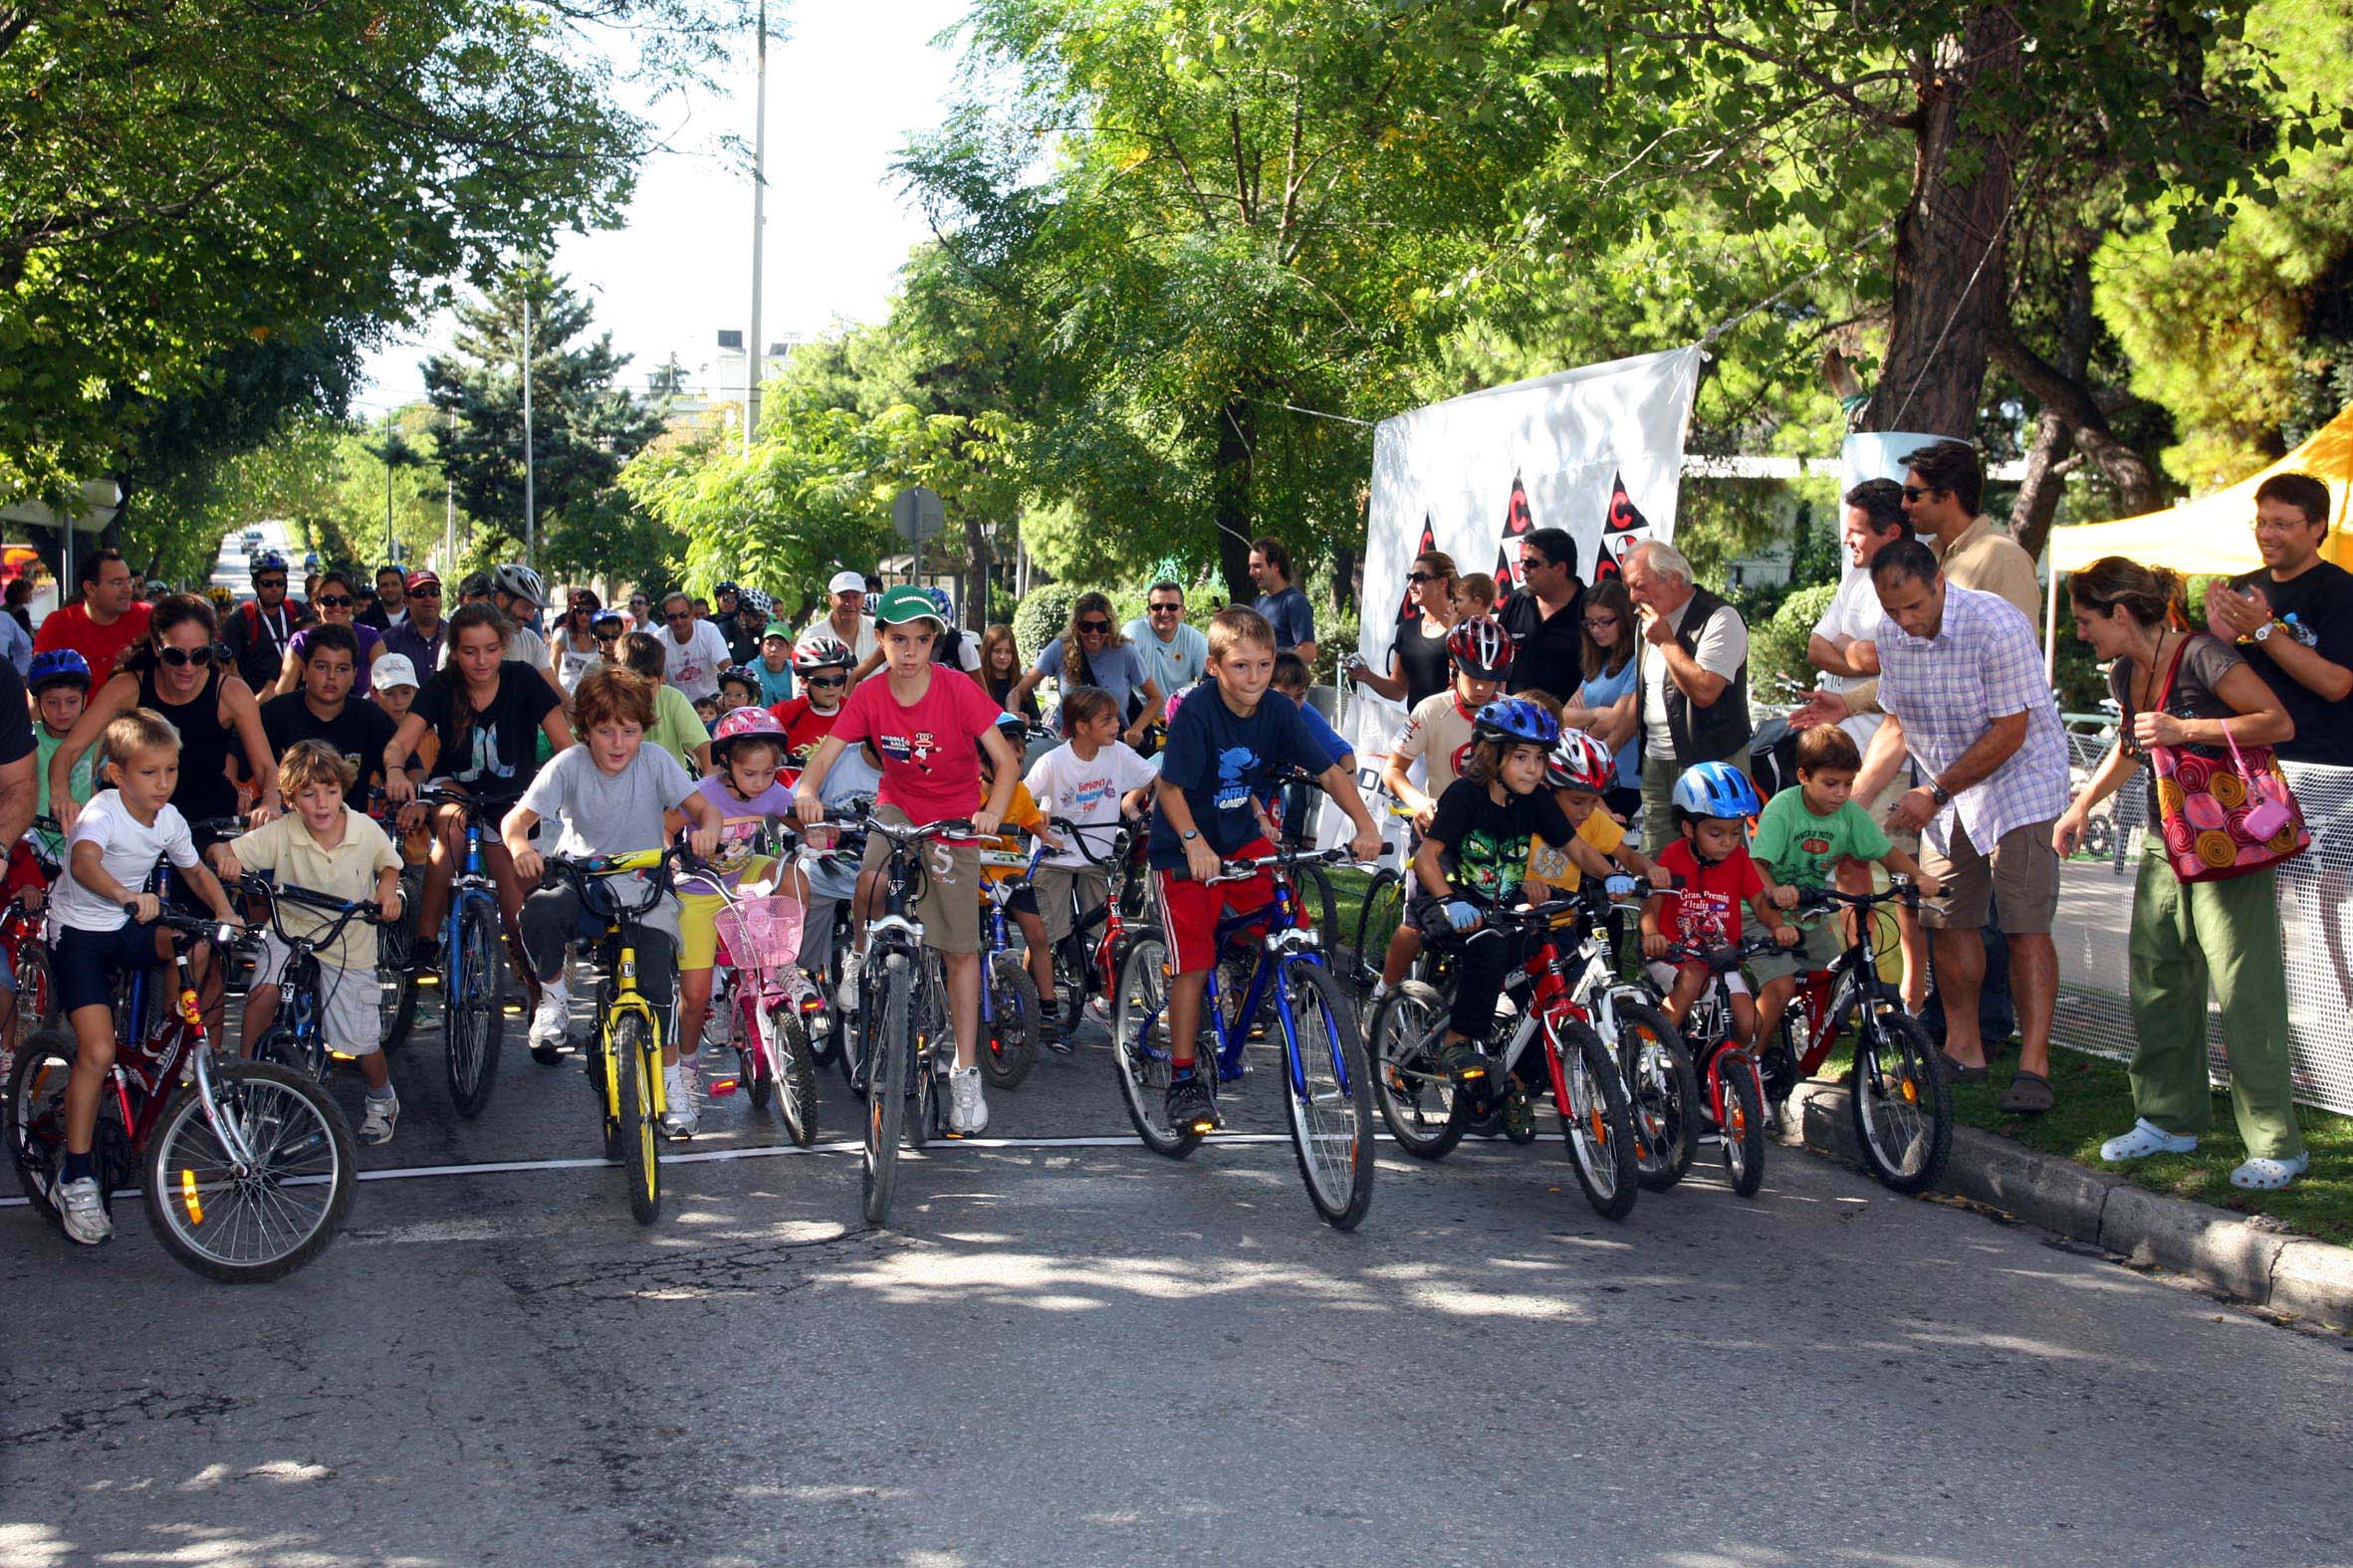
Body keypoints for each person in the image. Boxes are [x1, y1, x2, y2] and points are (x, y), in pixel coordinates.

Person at [2055, 557, 2307, 1189]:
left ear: (2120, 612)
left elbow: (2278, 722)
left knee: (2245, 989)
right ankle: (2167, 1120)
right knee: (2158, 981)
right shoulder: (2123, 671)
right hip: (2166, 842)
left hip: (2227, 847)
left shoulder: (2201, 655)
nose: (2081, 632)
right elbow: (2131, 743)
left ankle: (2277, 1144)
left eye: (2087, 620)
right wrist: (2082, 805)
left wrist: (2184, 727)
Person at [791, 584, 1023, 1136]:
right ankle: (860, 952)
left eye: (922, 640)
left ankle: (965, 1072)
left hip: (956, 818)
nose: (911, 650)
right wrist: (805, 787)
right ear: (881, 641)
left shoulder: (959, 690)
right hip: (898, 806)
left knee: (960, 949)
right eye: (899, 639)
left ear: (934, 643)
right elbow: (828, 752)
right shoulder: (869, 695)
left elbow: (1005, 763)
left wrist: (991, 811)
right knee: (868, 878)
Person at [1852, 538, 2070, 1112]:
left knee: (2023, 924)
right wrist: (1853, 802)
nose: (1904, 620)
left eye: (1915, 607)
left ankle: (2035, 1066)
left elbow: (2010, 731)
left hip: (2021, 783)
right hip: (1945, 787)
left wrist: (1935, 789)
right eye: (1892, 609)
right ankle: (1963, 1048)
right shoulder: (1892, 631)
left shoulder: (1996, 625)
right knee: (1945, 916)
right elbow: (1896, 727)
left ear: (1940, 581)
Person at [1149, 605, 1382, 1136]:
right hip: (1185, 850)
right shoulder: (1198, 713)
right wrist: (1192, 843)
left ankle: (1268, 990)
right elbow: (1171, 788)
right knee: (1192, 962)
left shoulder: (1279, 710)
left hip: (1242, 841)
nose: (1253, 678)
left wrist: (1365, 824)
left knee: (1297, 931)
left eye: (1262, 665)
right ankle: (1183, 1078)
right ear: (1214, 666)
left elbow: (1326, 769)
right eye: (1240, 666)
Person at [45, 708, 243, 1243]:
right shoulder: (102, 813)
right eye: (150, 773)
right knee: (97, 1053)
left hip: (129, 924)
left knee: (196, 942)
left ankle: (165, 1043)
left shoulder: (170, 818)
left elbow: (195, 871)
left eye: (171, 771)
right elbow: (84, 863)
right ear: (117, 774)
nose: (163, 784)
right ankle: (76, 1174)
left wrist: (225, 912)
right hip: (82, 933)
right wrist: (125, 895)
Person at [504, 666, 720, 1130]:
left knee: (659, 991)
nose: (619, 743)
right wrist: (521, 847)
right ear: (585, 731)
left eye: (630, 730)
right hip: (585, 883)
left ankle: (672, 1083)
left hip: (644, 887)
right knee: (540, 908)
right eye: (606, 732)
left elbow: (705, 810)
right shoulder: (568, 765)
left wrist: (710, 832)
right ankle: (555, 998)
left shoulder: (657, 761)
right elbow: (515, 822)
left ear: (646, 728)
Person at [217, 740, 407, 1145]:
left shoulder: (363, 828)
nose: (321, 804)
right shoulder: (281, 832)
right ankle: (247, 1076)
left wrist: (386, 893)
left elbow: (388, 865)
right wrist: (226, 858)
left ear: (343, 790)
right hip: (291, 928)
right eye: (308, 794)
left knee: (357, 1035)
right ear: (289, 800)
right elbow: (224, 849)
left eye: (331, 792)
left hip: (347, 937)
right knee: (262, 993)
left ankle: (381, 1097)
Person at [1785, 479, 1930, 1006]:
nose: (1849, 543)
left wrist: (1856, 659)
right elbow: (1816, 646)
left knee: (1889, 874)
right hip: (1840, 752)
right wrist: (1858, 653)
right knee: (1844, 871)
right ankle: (1859, 986)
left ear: (1891, 531)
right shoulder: (1854, 578)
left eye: (1857, 532)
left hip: (1890, 759)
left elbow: (1895, 663)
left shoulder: (1917, 581)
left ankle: (1898, 993)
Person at [382, 604, 573, 999]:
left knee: (519, 913)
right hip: (458, 791)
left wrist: (563, 792)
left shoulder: (524, 680)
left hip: (512, 803)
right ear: (454, 651)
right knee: (450, 832)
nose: (481, 660)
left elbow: (564, 747)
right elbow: (400, 743)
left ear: (504, 647)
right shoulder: (441, 686)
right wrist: (396, 771)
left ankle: (544, 1000)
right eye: (470, 651)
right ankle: (425, 943)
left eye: (490, 649)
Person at [1407, 699, 1575, 1116]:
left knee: (1560, 958)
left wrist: (1616, 874)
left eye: (1539, 758)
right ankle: (1456, 1041)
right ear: (1492, 755)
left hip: (1501, 904)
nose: (1533, 769)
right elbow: (1427, 860)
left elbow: (1578, 848)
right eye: (1521, 758)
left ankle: (1517, 1078)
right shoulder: (1465, 796)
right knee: (1490, 945)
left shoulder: (1534, 800)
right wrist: (1448, 901)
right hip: (1450, 899)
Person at [1748, 726, 1941, 1060]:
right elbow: (1755, 866)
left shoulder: (1849, 814)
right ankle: (1753, 1059)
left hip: (1809, 911)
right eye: (1830, 783)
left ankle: (1803, 1038)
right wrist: (1775, 892)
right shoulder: (1783, 809)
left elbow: (1885, 851)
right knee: (1780, 989)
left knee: (1833, 977)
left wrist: (1918, 875)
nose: (1840, 793)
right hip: (1761, 912)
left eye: (1848, 784)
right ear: (1803, 776)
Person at [51, 595, 278, 877]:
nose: (188, 667)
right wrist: (61, 795)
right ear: (158, 648)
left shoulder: (231, 692)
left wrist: (270, 802)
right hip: (136, 822)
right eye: (175, 655)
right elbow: (69, 750)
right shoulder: (128, 685)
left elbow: (267, 767)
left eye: (200, 656)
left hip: (205, 823)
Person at [673, 707, 816, 1111]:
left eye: (768, 774)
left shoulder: (772, 793)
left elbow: (798, 819)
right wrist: (670, 856)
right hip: (699, 886)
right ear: (725, 763)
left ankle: (785, 966)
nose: (760, 784)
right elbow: (666, 827)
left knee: (795, 875)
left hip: (743, 875)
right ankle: (685, 1071)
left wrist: (818, 826)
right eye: (750, 774)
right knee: (696, 994)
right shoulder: (702, 793)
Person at [1025, 684, 1156, 1032]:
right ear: (1082, 727)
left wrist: (1159, 804)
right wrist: (1039, 819)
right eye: (1107, 719)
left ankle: (1103, 996)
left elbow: (1156, 778)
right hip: (1055, 858)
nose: (1118, 725)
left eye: (1116, 718)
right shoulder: (1052, 762)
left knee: (1103, 930)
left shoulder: (1116, 754)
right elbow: (1021, 799)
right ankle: (1030, 996)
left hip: (1095, 857)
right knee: (1045, 933)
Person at [1639, 763, 1799, 1046]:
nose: (1727, 842)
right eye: (1716, 834)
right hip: (1673, 957)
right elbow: (1652, 905)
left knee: (1749, 1025)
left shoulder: (1738, 859)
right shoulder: (1673, 855)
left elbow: (1760, 902)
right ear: (1689, 827)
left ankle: (1723, 1074)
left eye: (1736, 832)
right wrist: (1652, 935)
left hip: (1720, 961)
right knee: (1693, 977)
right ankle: (1650, 1051)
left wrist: (1778, 925)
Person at [2203, 471, 2353, 767]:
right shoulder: (2241, 585)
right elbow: (2223, 678)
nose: (2266, 534)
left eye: (2281, 524)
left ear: (2317, 526)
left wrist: (2262, 631)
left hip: (2318, 766)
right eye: (2261, 523)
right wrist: (2220, 641)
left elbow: (2337, 684)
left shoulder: (2341, 590)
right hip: (2247, 760)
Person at [1625, 540, 1753, 856]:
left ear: (1674, 579)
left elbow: (1705, 691)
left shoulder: (1720, 617)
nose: (1632, 597)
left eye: (1639, 585)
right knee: (1657, 861)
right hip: (1657, 760)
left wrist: (1667, 643)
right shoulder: (1650, 622)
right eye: (1628, 587)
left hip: (1710, 759)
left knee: (1715, 859)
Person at [258, 622, 401, 816]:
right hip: (285, 831)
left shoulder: (371, 717)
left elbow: (413, 768)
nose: (331, 676)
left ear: (354, 675)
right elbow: (235, 759)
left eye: (342, 669)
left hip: (351, 834)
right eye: (321, 667)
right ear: (304, 670)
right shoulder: (274, 714)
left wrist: (399, 776)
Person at [1898, 440, 2041, 623]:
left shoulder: (2005, 559)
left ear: (1949, 496)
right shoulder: (1929, 555)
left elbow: (2019, 647)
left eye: (1912, 495)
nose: (1904, 504)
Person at [1006, 591, 1165, 747]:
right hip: (1067, 743)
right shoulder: (1059, 648)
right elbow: (1017, 691)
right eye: (1086, 626)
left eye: (1102, 627)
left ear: (1110, 625)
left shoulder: (1125, 652)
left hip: (1112, 743)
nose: (1094, 633)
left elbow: (1155, 698)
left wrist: (1136, 728)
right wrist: (1014, 714)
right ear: (1076, 626)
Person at [1524, 727, 1664, 896]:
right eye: (1577, 802)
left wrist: (1652, 869)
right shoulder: (1523, 815)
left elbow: (1627, 856)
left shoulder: (1591, 819)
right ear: (1547, 789)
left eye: (1595, 801)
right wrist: (1523, 884)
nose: (1587, 811)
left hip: (1566, 917)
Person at [1555, 577, 1643, 820]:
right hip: (1585, 778)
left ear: (1625, 619)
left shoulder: (1636, 663)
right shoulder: (1599, 664)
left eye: (1605, 622)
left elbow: (1616, 721)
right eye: (1590, 623)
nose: (1596, 630)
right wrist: (1595, 714)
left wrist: (1583, 724)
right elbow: (1562, 718)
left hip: (1622, 780)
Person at [1345, 551, 1460, 710]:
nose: (1410, 585)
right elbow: (1398, 690)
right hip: (1417, 726)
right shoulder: (1407, 629)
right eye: (1409, 578)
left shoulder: (1462, 629)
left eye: (1419, 578)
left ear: (1442, 583)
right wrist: (1366, 676)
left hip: (1453, 726)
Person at [34, 548, 151, 690]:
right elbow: (38, 685)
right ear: (90, 588)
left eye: (129, 581)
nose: (128, 590)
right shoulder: (58, 624)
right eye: (117, 583)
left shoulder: (147, 617)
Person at [1498, 527, 1586, 700]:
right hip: (1514, 720)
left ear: (1560, 568)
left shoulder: (1589, 608)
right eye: (1521, 561)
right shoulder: (1516, 601)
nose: (1523, 569)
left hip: (1567, 723)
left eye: (1531, 563)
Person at [273, 568, 388, 697]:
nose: (337, 607)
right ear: (316, 604)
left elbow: (386, 687)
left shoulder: (370, 638)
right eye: (329, 601)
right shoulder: (301, 641)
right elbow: (283, 692)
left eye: (345, 601)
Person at [31, 647, 97, 860]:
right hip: (32, 846)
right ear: (38, 703)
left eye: (72, 701)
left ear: (85, 702)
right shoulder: (27, 739)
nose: (63, 711)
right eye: (52, 702)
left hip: (87, 852)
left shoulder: (100, 740)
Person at [619, 630, 712, 775]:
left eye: (648, 686)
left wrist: (709, 787)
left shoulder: (673, 699)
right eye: (634, 686)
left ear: (662, 679)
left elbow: (704, 746)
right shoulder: (607, 702)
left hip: (675, 791)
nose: (641, 694)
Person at [220, 551, 311, 692]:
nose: (274, 589)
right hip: (258, 699)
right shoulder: (241, 619)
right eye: (267, 584)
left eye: (280, 583)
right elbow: (228, 668)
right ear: (255, 585)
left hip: (298, 694)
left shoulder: (297, 610)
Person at [767, 632, 851, 771]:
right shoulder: (785, 713)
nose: (831, 687)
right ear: (804, 682)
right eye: (821, 682)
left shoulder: (855, 712)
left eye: (838, 680)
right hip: (794, 789)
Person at [1124, 579, 1210, 700]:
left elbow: (1210, 680)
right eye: (1157, 607)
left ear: (1183, 611)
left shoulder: (1194, 638)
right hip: (1141, 713)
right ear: (1149, 610)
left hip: (1179, 713)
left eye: (1172, 607)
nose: (1164, 613)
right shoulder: (1134, 632)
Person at [1248, 537, 1317, 665]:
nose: (1251, 573)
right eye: (1250, 567)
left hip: (1283, 683)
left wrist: (1270, 659)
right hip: (1258, 683)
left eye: (1257, 566)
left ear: (1275, 566)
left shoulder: (1295, 602)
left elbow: (1308, 654)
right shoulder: (1257, 603)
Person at [655, 589, 732, 704]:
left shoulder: (708, 631)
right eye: (672, 617)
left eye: (683, 615)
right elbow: (654, 677)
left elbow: (727, 667)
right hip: (677, 702)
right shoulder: (659, 639)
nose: (679, 621)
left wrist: (727, 696)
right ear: (665, 619)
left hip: (712, 699)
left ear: (692, 614)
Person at [492, 564, 559, 689]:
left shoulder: (532, 641)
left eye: (534, 610)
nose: (530, 617)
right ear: (501, 600)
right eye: (525, 607)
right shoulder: (473, 640)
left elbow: (554, 687)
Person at [806, 569, 879, 675]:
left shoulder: (879, 630)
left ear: (863, 599)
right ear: (830, 599)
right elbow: (801, 686)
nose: (850, 603)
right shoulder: (812, 636)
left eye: (855, 597)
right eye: (843, 597)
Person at [381, 569, 447, 678]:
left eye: (434, 592)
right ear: (406, 601)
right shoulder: (390, 640)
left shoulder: (455, 636)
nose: (428, 598)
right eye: (420, 593)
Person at [547, 589, 605, 694]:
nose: (583, 615)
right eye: (579, 610)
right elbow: (552, 670)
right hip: (565, 696)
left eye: (589, 610)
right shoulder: (562, 634)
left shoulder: (601, 638)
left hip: (592, 698)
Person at [976, 623, 1036, 721]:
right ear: (987, 652)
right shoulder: (978, 681)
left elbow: (1035, 721)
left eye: (1008, 652)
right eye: (997, 651)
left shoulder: (1022, 685)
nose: (1003, 657)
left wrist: (1026, 721)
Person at [752, 619, 797, 707]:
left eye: (780, 645)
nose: (773, 649)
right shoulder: (752, 669)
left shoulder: (795, 671)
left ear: (789, 650)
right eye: (769, 644)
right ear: (761, 649)